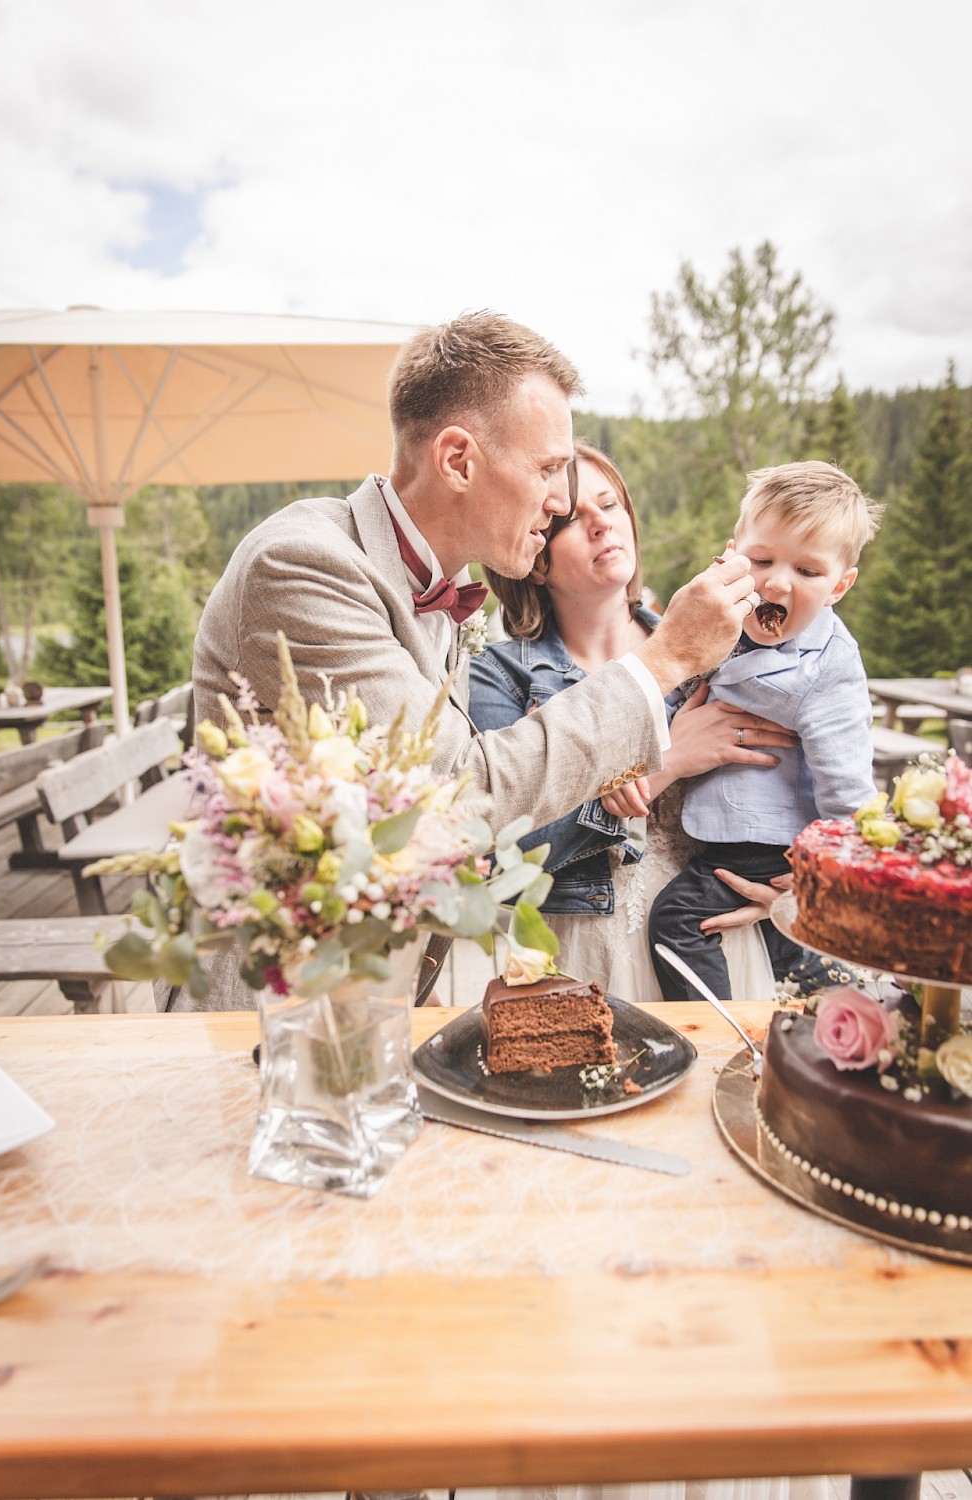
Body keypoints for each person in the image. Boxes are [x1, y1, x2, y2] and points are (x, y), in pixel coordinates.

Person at [185, 312, 764, 1012]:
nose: (560, 501)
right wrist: (665, 657)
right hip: (271, 1012)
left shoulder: (429, 585)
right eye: (550, 468)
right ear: (458, 460)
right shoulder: (304, 565)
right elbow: (454, 793)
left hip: (373, 992)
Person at [469, 440, 793, 1002]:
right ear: (534, 553)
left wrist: (791, 888)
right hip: (584, 951)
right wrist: (664, 762)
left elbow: (799, 772)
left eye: (610, 504)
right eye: (572, 518)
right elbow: (502, 856)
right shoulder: (498, 677)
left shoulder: (728, 648)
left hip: (714, 937)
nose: (601, 525)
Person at [649, 461, 883, 1002]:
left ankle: (719, 1037)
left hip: (776, 840)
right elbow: (675, 686)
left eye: (807, 571)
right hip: (731, 827)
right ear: (732, 556)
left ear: (839, 586)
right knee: (793, 958)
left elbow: (846, 780)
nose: (777, 581)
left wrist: (830, 875)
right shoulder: (718, 619)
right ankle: (809, 1022)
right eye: (761, 560)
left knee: (679, 920)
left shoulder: (827, 666)